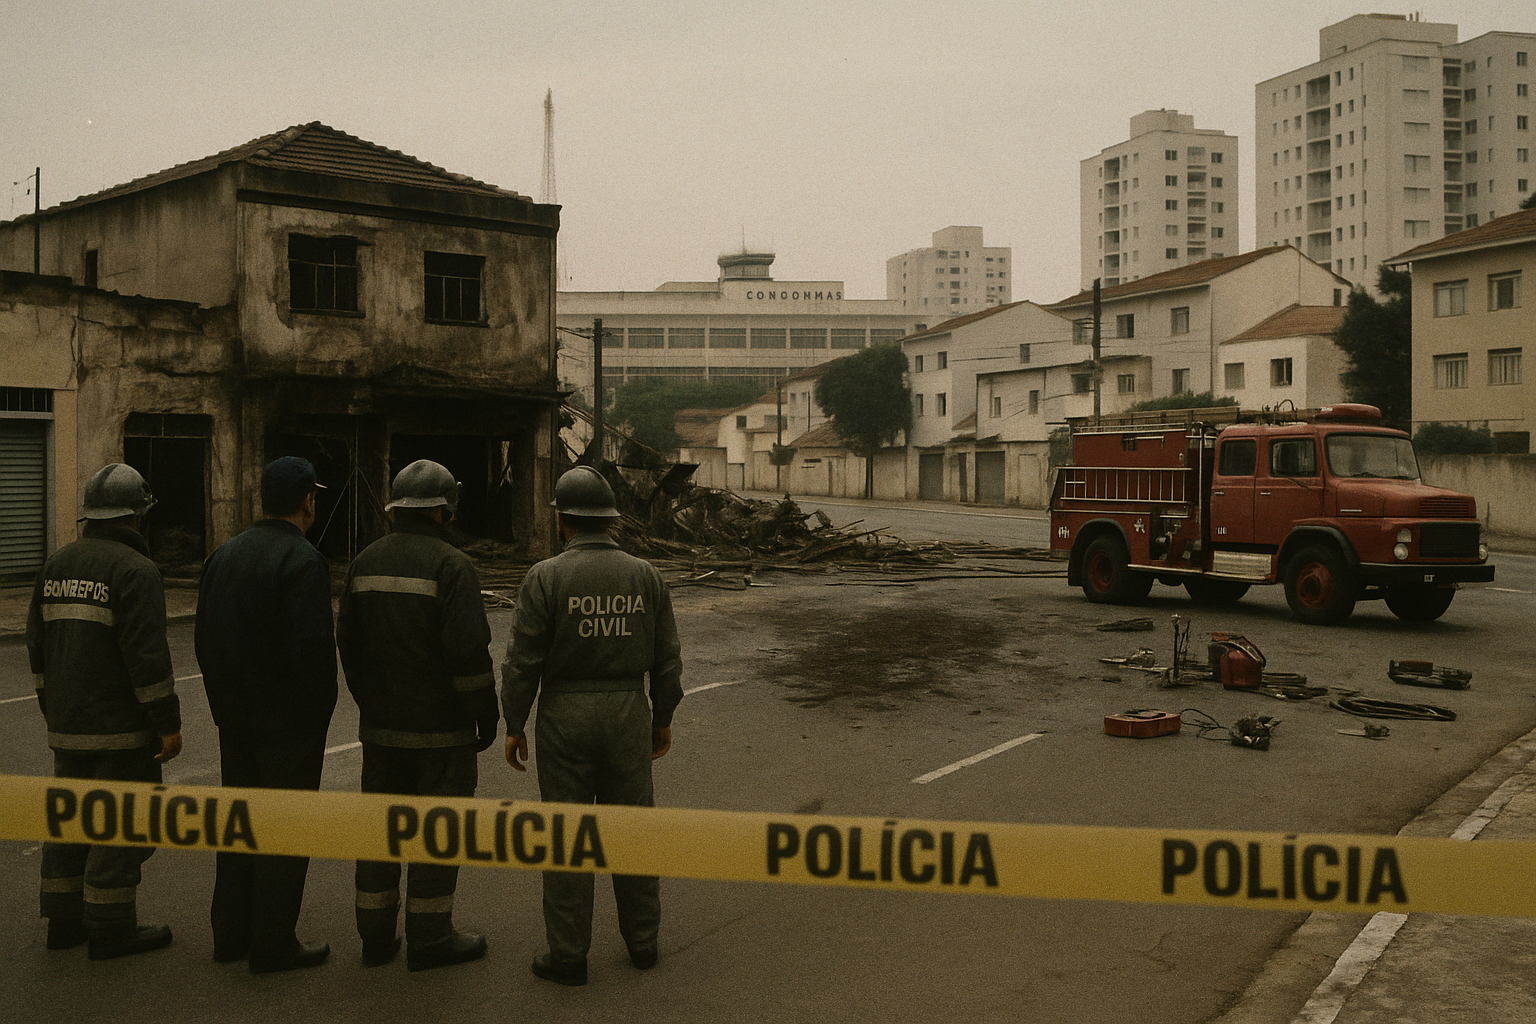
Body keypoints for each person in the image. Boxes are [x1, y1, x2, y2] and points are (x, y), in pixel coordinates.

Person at [502, 465, 684, 987]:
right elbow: (667, 659)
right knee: (633, 830)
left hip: (564, 715)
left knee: (566, 835)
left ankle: (568, 955)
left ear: (562, 521)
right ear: (609, 519)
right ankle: (643, 942)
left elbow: (523, 660)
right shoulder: (645, 575)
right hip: (627, 712)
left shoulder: (545, 577)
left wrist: (514, 721)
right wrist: (662, 717)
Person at [337, 459, 497, 972]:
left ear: (396, 508)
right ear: (444, 510)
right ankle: (430, 939)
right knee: (437, 834)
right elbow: (468, 654)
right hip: (442, 736)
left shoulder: (363, 562)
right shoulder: (453, 565)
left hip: (381, 731)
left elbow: (349, 646)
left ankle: (375, 937)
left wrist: (372, 703)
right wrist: (485, 715)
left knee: (380, 834)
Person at [26, 463, 182, 960]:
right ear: (138, 516)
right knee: (118, 826)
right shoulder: (136, 571)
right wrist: (167, 726)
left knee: (68, 822)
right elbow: (147, 660)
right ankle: (111, 929)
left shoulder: (55, 565)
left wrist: (54, 710)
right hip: (120, 732)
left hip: (67, 727)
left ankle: (63, 921)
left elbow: (37, 648)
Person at [195, 456, 337, 974]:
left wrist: (223, 705)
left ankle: (230, 934)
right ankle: (274, 943)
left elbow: (204, 639)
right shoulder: (303, 560)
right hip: (288, 726)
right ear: (308, 501)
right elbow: (313, 654)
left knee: (239, 825)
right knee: (284, 829)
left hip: (235, 719)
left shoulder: (223, 555)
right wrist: (316, 716)